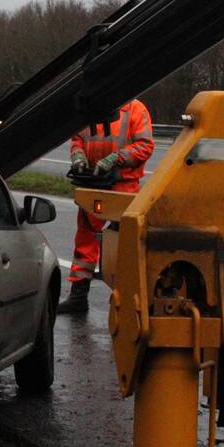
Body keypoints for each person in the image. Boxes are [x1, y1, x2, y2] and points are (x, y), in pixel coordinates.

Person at [57, 99, 154, 313]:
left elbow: (145, 145)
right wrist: (78, 155)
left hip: (123, 185)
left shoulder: (135, 110)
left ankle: (125, 298)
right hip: (93, 183)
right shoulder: (91, 108)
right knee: (85, 239)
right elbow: (77, 139)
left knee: (124, 244)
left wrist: (116, 158)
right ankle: (78, 295)